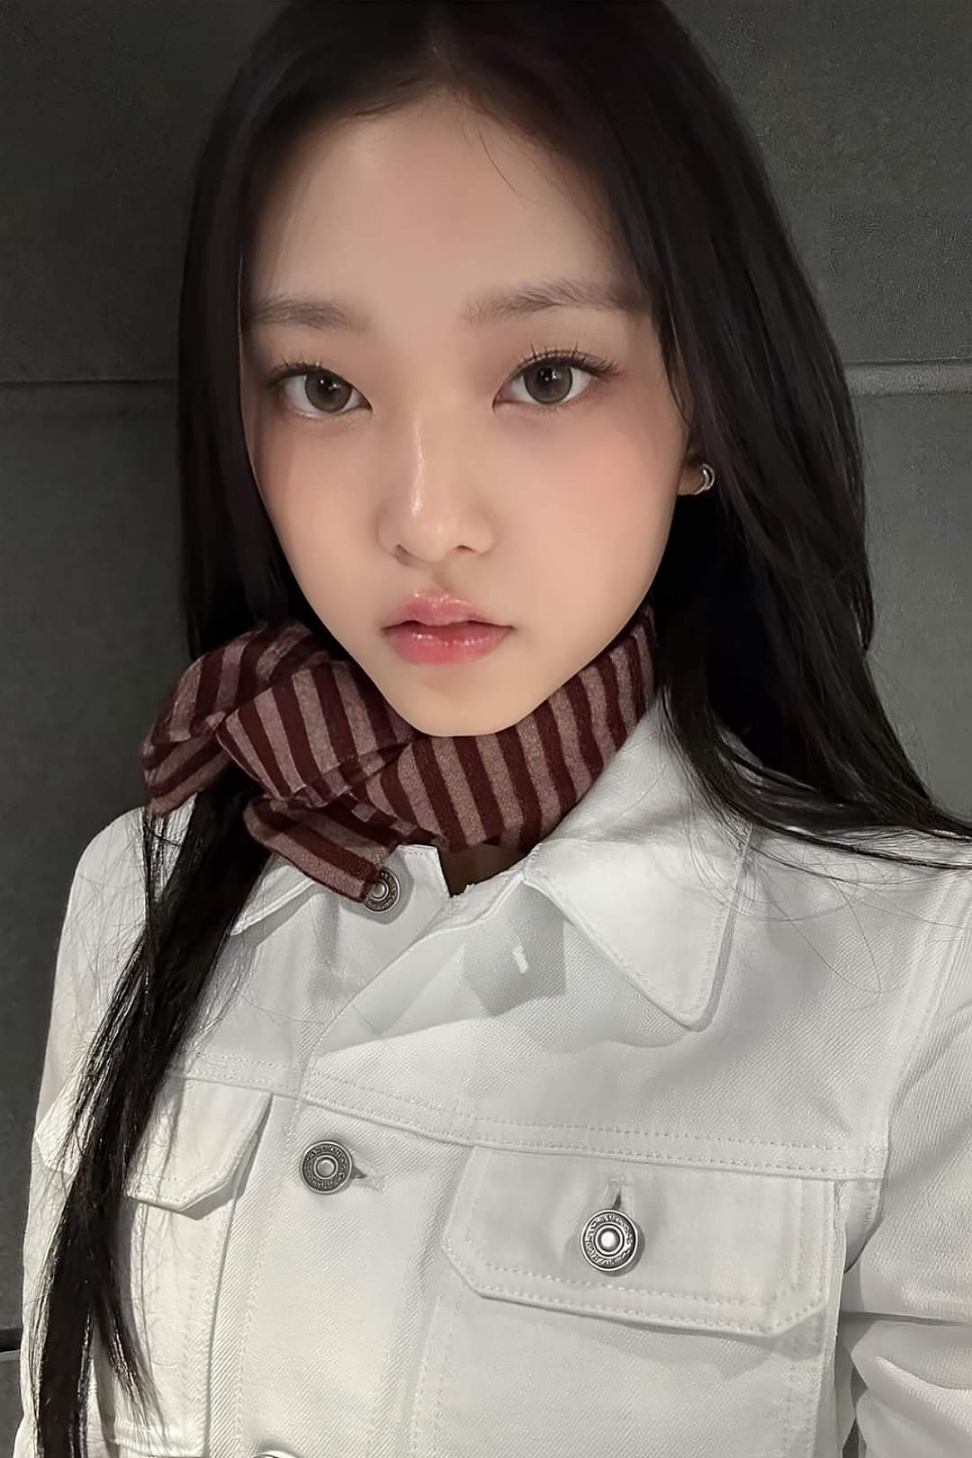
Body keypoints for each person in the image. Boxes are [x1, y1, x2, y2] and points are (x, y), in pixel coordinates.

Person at [14, 3, 972, 1456]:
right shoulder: (138, 889)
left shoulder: (921, 982)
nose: (424, 519)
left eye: (547, 374)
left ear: (706, 407)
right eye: (324, 387)